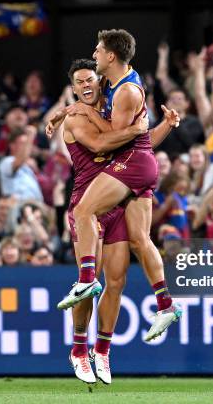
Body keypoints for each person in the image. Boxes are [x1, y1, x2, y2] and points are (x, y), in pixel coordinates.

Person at [54, 59, 177, 384]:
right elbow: (100, 144)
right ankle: (79, 349)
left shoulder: (111, 111)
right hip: (87, 203)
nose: (85, 85)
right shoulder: (77, 118)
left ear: (99, 82)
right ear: (74, 87)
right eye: (79, 81)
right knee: (87, 286)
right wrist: (71, 110)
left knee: (117, 282)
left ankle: (103, 350)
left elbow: (140, 146)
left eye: (90, 79)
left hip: (118, 203)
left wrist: (161, 126)